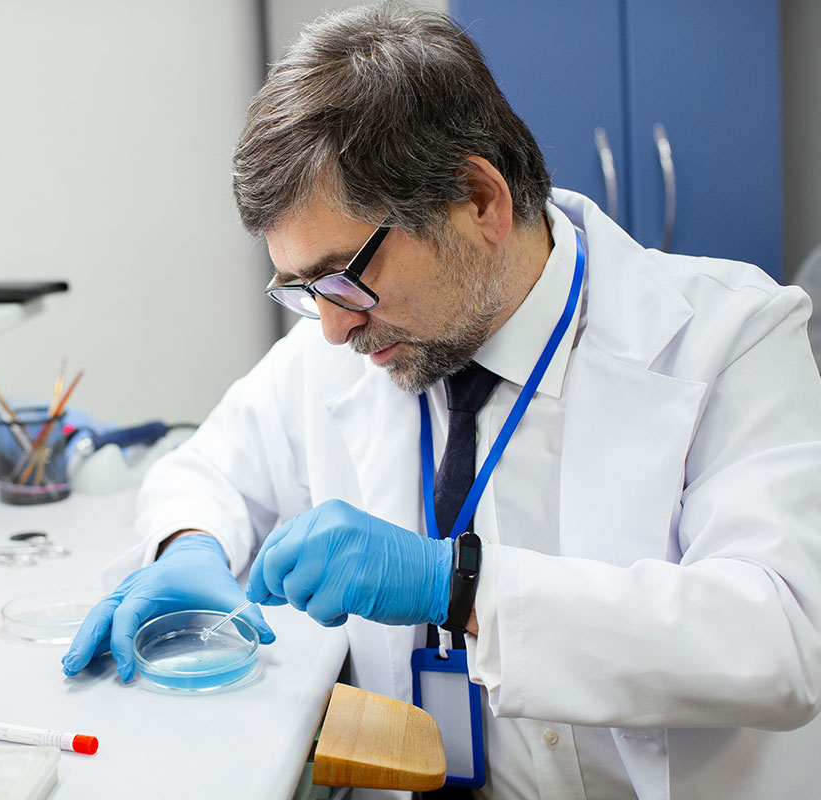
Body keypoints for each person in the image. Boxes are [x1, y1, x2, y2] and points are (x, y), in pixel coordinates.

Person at [63, 5, 821, 798]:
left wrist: (456, 587)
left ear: (479, 199)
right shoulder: (350, 344)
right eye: (302, 288)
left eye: (342, 275)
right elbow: (208, 469)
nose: (331, 328)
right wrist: (189, 547)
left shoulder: (730, 338)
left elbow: (781, 638)